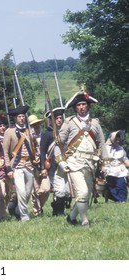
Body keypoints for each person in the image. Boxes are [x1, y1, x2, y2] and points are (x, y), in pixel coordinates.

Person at [56, 91, 108, 226]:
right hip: (74, 162)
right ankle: (85, 221)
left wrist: (105, 163)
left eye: (84, 104)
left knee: (87, 194)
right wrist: (60, 161)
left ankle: (71, 217)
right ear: (75, 108)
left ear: (88, 106)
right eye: (79, 105)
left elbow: (102, 143)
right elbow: (59, 144)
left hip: (91, 163)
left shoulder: (95, 123)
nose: (81, 107)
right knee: (82, 192)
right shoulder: (69, 122)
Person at [3, 105, 35, 222]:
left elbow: (34, 147)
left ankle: (17, 210)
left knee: (27, 191)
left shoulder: (29, 130)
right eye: (19, 117)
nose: (21, 118)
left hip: (29, 164)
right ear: (15, 118)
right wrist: (8, 168)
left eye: (23, 116)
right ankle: (24, 215)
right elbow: (5, 151)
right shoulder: (9, 132)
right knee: (21, 191)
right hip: (17, 165)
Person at [40, 107, 71, 216]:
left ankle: (56, 207)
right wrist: (43, 167)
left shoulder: (66, 132)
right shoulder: (47, 134)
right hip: (53, 165)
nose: (59, 120)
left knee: (67, 190)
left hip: (66, 162)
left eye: (60, 118)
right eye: (56, 118)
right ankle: (60, 212)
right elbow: (42, 151)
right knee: (59, 189)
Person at [28, 114, 50, 217]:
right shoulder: (28, 138)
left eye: (37, 124)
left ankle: (39, 206)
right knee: (35, 191)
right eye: (33, 125)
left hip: (44, 165)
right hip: (32, 167)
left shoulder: (45, 136)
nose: (36, 127)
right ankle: (37, 212)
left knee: (45, 189)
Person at [0, 115, 13, 221]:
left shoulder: (8, 138)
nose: (3, 128)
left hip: (9, 168)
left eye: (4, 126)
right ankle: (2, 215)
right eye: (0, 126)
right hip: (0, 170)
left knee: (9, 194)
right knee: (2, 193)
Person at [103, 130, 129, 202]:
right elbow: (101, 159)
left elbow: (125, 159)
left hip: (120, 170)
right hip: (109, 169)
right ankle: (110, 195)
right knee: (112, 187)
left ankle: (122, 199)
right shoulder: (106, 148)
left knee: (122, 186)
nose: (117, 141)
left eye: (118, 139)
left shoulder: (121, 148)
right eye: (116, 139)